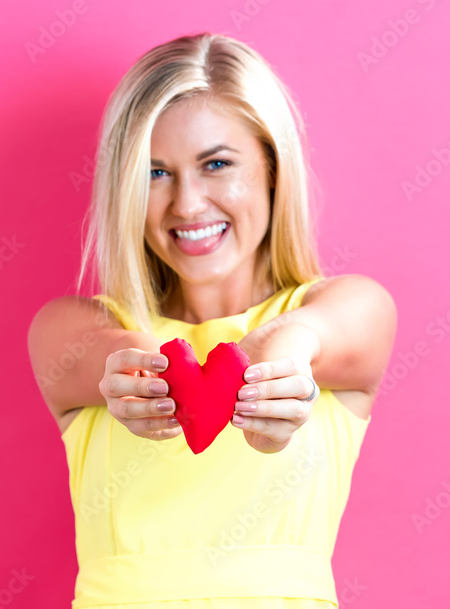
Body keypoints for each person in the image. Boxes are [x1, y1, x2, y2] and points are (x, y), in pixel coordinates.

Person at [27, 32, 397, 608]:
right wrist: (135, 372)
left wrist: (286, 356)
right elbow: (104, 350)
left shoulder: (351, 307)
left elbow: (320, 334)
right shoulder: (67, 329)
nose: (188, 205)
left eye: (217, 163)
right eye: (155, 173)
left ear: (273, 169)